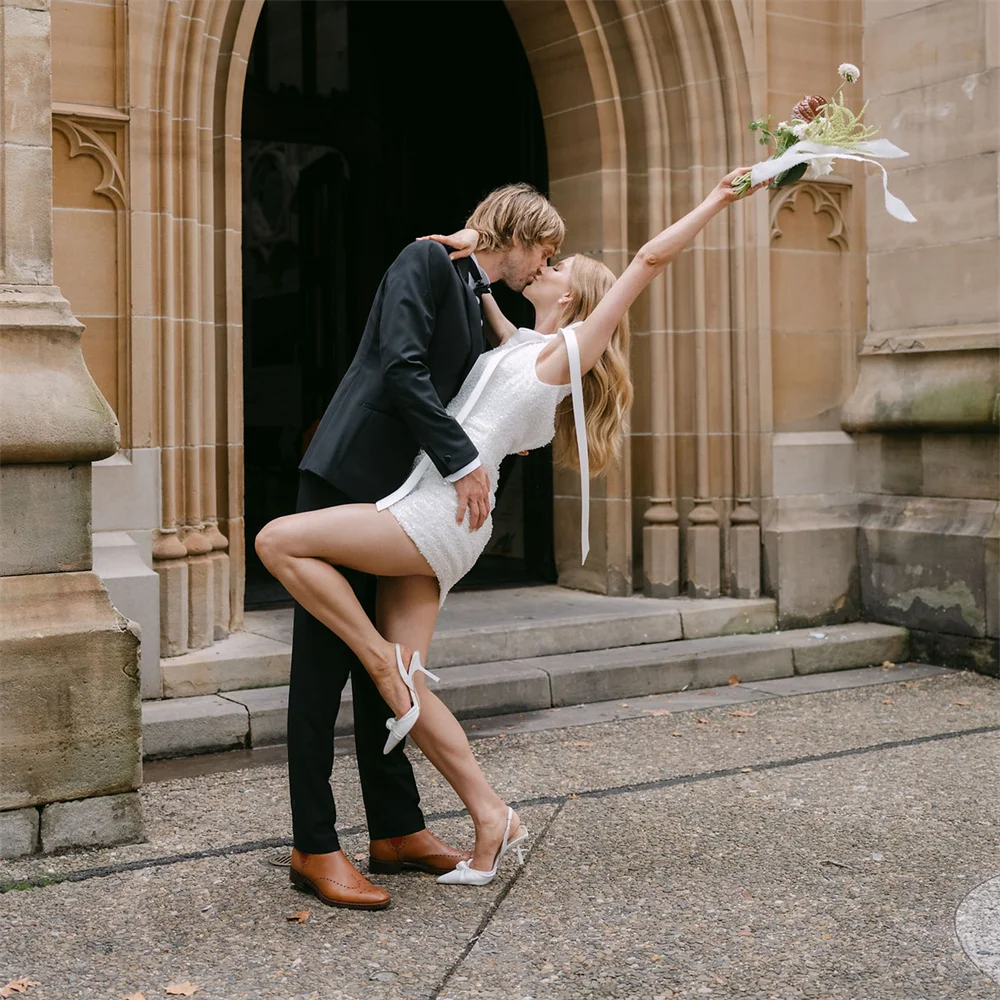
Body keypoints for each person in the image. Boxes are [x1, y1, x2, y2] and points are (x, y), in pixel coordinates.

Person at [256, 167, 765, 896]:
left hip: (434, 509)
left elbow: (647, 261)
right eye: (545, 251)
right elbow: (454, 316)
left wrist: (718, 197)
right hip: (401, 489)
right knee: (387, 682)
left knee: (304, 574)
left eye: (558, 266)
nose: (547, 266)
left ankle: (380, 715)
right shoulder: (506, 326)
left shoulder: (567, 346)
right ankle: (466, 818)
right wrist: (471, 240)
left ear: (577, 297)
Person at [272, 182, 565, 910]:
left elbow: (500, 378)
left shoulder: (470, 284)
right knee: (319, 672)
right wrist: (464, 461)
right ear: (518, 233)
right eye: (545, 245)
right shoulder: (423, 262)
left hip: (402, 495)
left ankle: (396, 831)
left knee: (396, 671)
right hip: (347, 474)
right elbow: (401, 365)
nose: (549, 259)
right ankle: (313, 846)